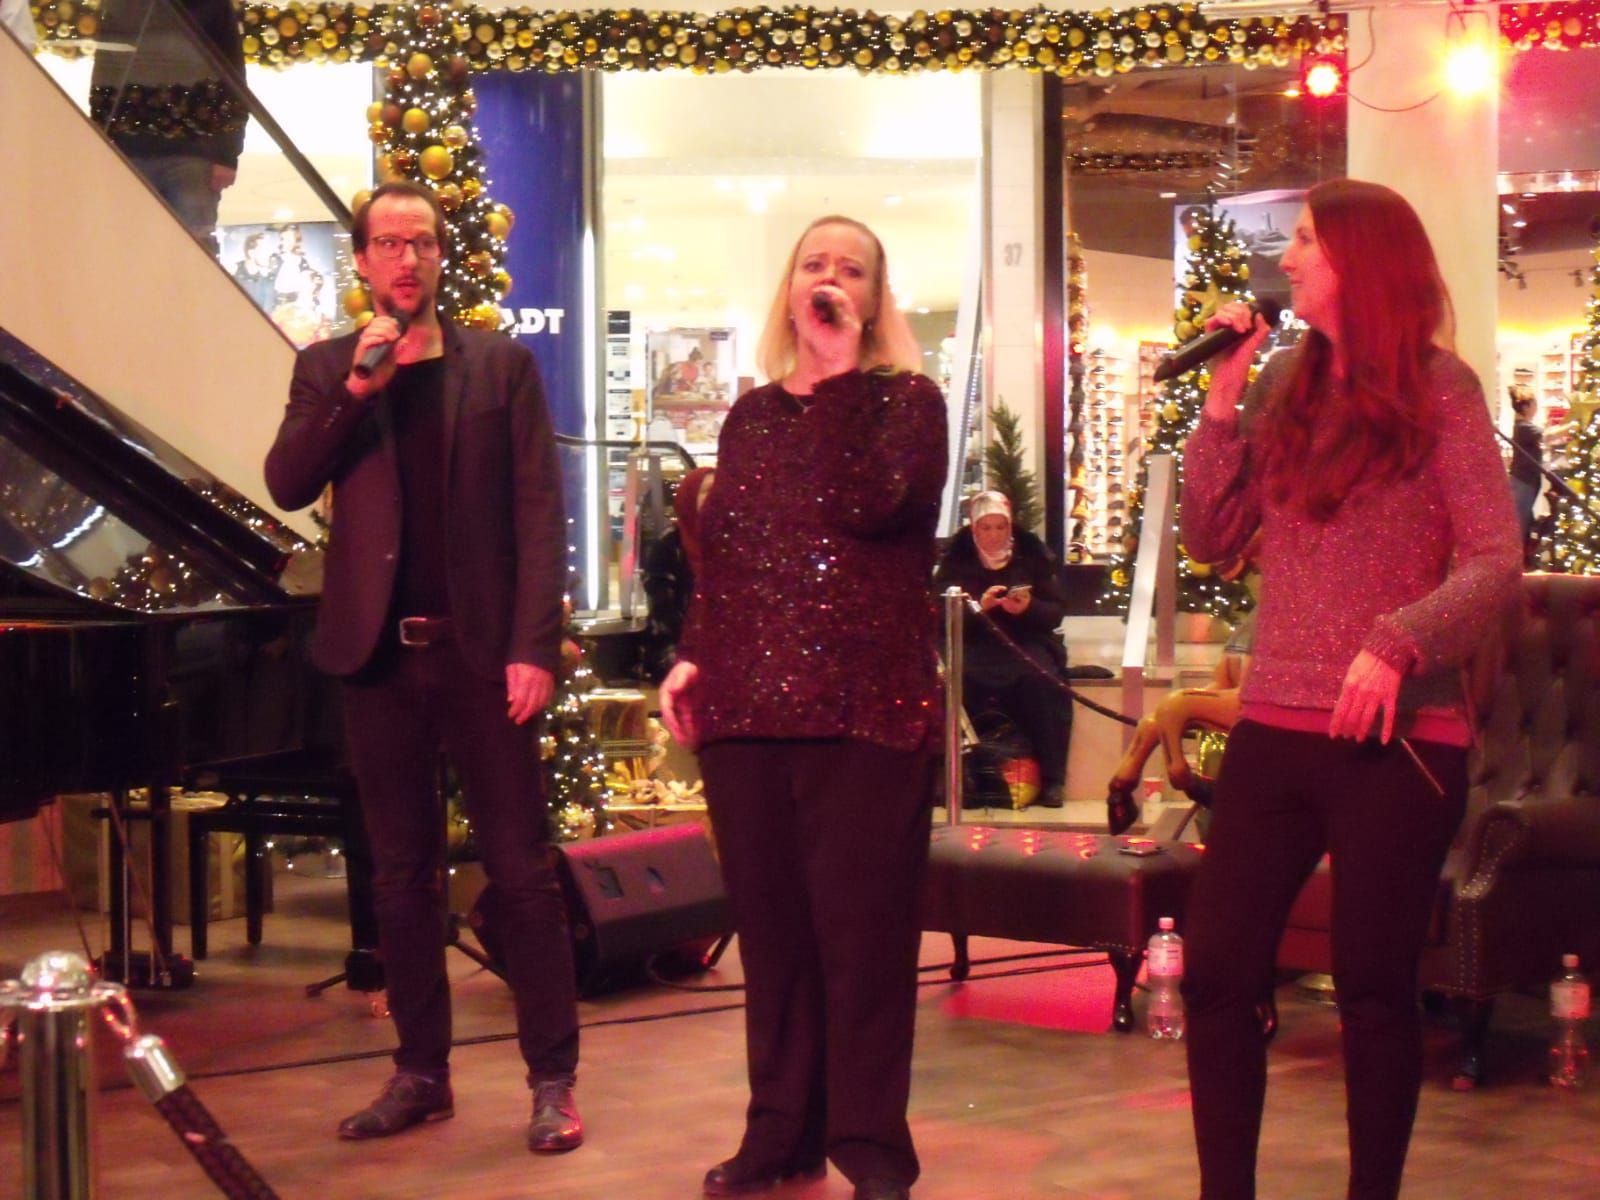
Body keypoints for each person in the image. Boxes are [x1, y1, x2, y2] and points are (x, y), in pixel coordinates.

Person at [1178, 179, 1522, 1200]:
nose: (1286, 260)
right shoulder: (1283, 383)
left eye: (1308, 243)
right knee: (1215, 971)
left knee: (1373, 988)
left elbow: (1495, 562)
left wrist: (1396, 642)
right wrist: (1221, 402)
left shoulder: (1441, 390)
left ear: (1361, 263)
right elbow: (1210, 538)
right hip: (1276, 727)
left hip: (1400, 741)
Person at [263, 181, 584, 1155]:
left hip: (486, 663)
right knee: (400, 879)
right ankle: (420, 1073)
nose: (407, 259)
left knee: (522, 877)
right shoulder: (329, 370)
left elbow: (538, 514)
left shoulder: (502, 369)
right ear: (361, 262)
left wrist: (534, 648)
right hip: (378, 664)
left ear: (444, 259)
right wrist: (359, 390)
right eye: (388, 244)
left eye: (424, 243)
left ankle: (551, 1081)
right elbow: (286, 483)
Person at [659, 215, 946, 1200]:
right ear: (789, 287)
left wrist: (835, 377)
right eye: (813, 264)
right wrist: (691, 660)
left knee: (861, 946)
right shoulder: (747, 417)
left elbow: (872, 502)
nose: (829, 278)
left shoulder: (908, 404)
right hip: (746, 710)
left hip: (865, 710)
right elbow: (725, 560)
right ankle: (778, 1133)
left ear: (872, 300)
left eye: (850, 269)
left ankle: (870, 1151)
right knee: (774, 944)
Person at [932, 490, 1072, 808]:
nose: (994, 536)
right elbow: (938, 615)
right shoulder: (956, 562)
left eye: (1000, 528)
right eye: (986, 528)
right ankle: (960, 774)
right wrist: (976, 608)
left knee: (1041, 680)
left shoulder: (1032, 556)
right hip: (972, 642)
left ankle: (1052, 778)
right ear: (973, 529)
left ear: (1011, 528)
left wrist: (1027, 608)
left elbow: (1055, 612)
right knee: (955, 679)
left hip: (1025, 641)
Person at [88, 0, 247, 247]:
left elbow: (234, 78)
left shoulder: (213, 6)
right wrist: (99, 133)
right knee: (129, 247)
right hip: (132, 148)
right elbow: (105, 68)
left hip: (193, 151)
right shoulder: (122, 5)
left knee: (192, 250)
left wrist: (228, 154)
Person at [639, 466, 714, 683]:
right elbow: (663, 612)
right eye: (707, 491)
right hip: (674, 656)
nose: (714, 498)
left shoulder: (728, 545)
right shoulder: (670, 545)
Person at [1507, 382, 1544, 557]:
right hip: (1523, 481)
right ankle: (1518, 561)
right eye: (1534, 404)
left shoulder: (1522, 427)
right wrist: (1573, 425)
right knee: (1520, 522)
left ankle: (1523, 558)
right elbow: (1547, 435)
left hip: (1525, 481)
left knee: (1525, 519)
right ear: (1526, 406)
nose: (1536, 408)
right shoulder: (1524, 428)